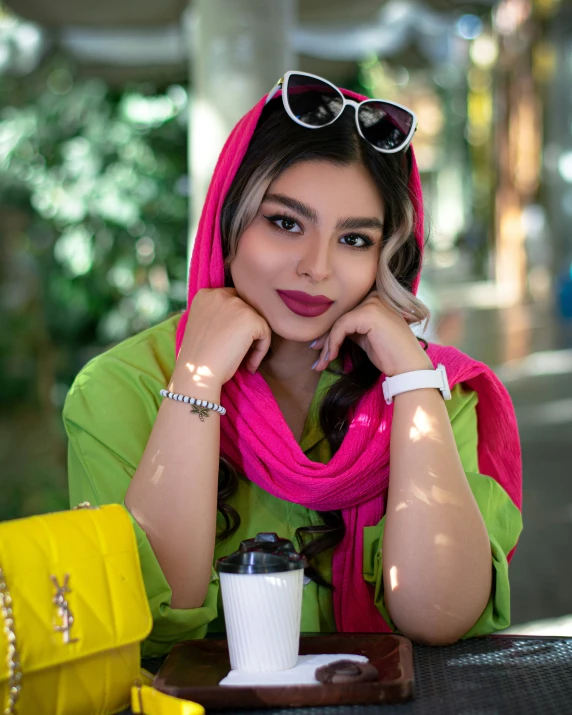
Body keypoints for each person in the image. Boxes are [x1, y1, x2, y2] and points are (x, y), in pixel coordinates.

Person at [63, 72, 523, 658]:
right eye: (285, 223)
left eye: (354, 239)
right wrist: (197, 380)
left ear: (389, 254)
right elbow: (156, 618)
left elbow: (439, 615)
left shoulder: (432, 388)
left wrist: (411, 384)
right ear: (228, 221)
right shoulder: (121, 386)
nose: (317, 267)